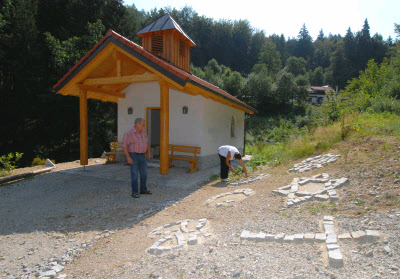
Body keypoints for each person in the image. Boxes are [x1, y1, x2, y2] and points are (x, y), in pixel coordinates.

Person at [122, 118, 152, 198]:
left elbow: (146, 142)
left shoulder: (144, 132)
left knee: (144, 174)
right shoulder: (128, 133)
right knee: (134, 174)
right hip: (133, 156)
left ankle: (143, 190)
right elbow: (124, 146)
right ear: (137, 124)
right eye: (142, 125)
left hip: (142, 156)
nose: (143, 127)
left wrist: (148, 152)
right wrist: (128, 157)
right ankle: (134, 192)